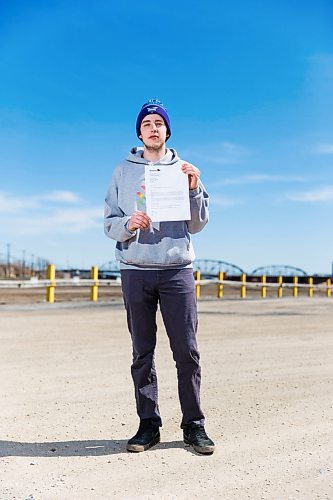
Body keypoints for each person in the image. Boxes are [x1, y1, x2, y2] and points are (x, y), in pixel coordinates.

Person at [104, 99, 214, 455]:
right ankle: (148, 425)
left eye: (159, 123)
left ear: (167, 131)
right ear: (139, 132)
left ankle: (194, 425)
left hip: (176, 270)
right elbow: (109, 223)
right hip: (135, 270)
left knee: (187, 351)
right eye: (147, 123)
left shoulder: (183, 170)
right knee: (142, 352)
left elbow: (197, 224)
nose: (153, 128)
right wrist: (127, 224)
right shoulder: (123, 170)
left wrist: (195, 188)